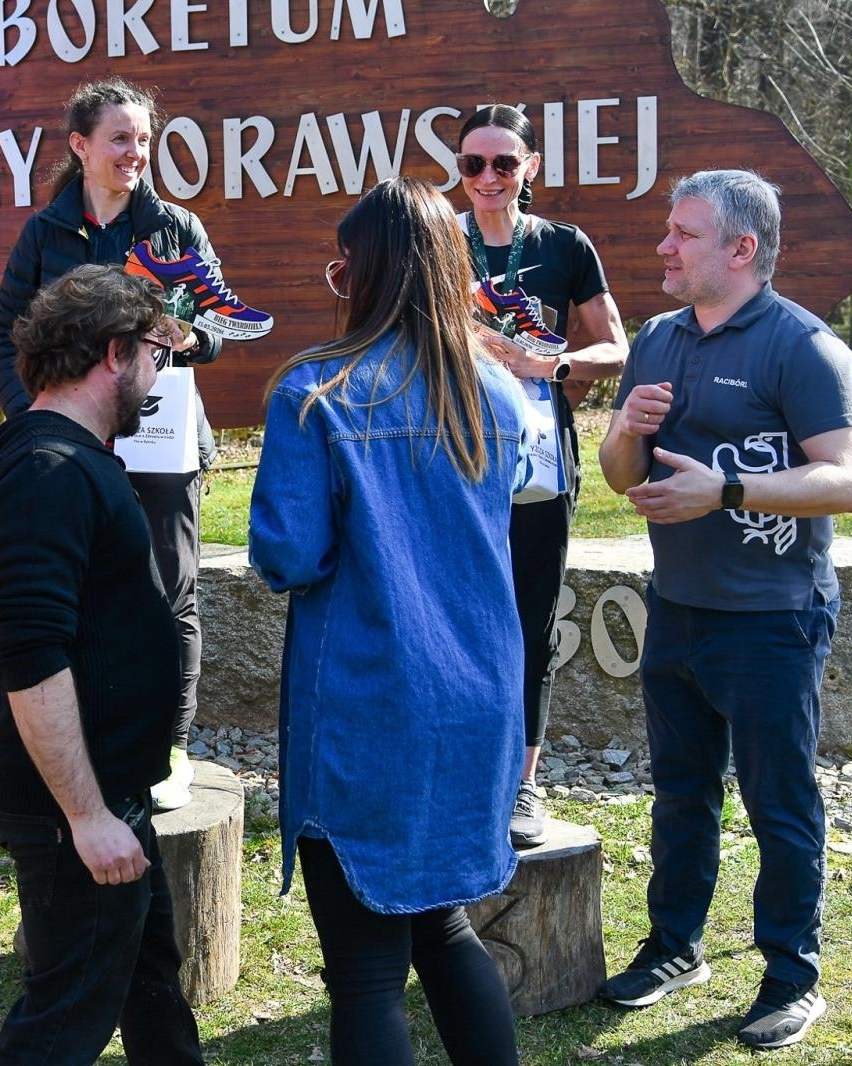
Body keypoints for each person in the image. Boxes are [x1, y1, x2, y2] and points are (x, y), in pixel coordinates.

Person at [249, 177, 526, 1066]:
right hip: (478, 695)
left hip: (371, 701)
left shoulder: (315, 391)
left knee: (367, 976)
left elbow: (286, 556)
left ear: (365, 273)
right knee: (443, 929)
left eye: (343, 269)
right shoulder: (498, 393)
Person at [596, 170, 852, 1051]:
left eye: (684, 234)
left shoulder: (805, 347)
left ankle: (792, 974)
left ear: (742, 249)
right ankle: (676, 948)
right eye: (669, 231)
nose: (664, 247)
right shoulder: (658, 338)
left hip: (772, 619)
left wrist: (731, 492)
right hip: (675, 605)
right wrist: (627, 428)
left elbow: (848, 482)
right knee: (679, 796)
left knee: (779, 803)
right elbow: (619, 475)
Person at [0, 264, 203, 1065]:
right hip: (72, 805)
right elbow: (30, 656)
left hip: (110, 786)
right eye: (159, 352)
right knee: (63, 1016)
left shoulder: (57, 457)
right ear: (116, 352)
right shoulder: (44, 471)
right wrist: (87, 817)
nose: (162, 374)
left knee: (150, 984)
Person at [0, 76, 250, 810]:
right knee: (80, 592)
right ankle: (90, 740)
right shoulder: (45, 233)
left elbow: (222, 325)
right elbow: (6, 329)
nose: (136, 152)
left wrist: (194, 335)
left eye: (144, 138)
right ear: (81, 147)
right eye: (120, 139)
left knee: (171, 592)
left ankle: (167, 745)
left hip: (164, 443)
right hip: (74, 448)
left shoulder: (176, 229)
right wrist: (30, 420)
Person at [455, 104, 629, 848]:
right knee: (456, 613)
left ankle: (523, 786)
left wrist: (548, 364)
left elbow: (616, 347)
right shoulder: (439, 243)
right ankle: (464, 768)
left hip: (539, 458)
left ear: (530, 168)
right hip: (452, 455)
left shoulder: (564, 246)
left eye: (503, 163)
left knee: (531, 617)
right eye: (473, 164)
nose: (488, 178)